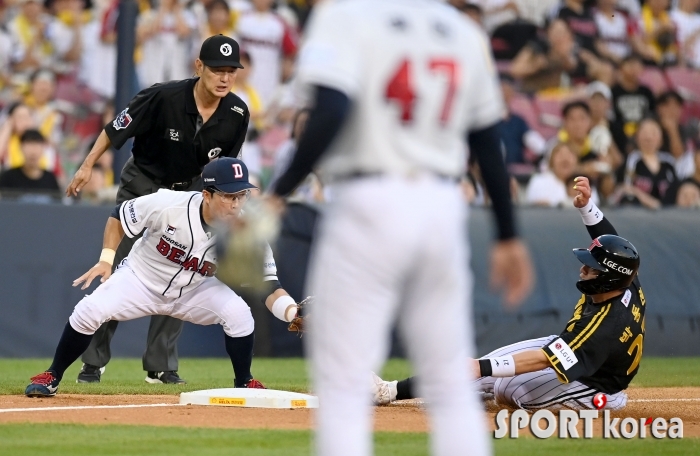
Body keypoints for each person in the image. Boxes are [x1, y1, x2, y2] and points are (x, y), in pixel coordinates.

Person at [268, 1, 534, 455]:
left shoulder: (345, 16)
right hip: (442, 206)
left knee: (345, 385)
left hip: (367, 197)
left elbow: (330, 111)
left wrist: (281, 190)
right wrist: (508, 234)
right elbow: (487, 142)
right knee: (449, 382)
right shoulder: (461, 30)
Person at [24, 158, 305, 397]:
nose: (236, 203)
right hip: (141, 279)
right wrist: (107, 258)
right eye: (229, 196)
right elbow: (119, 215)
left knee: (240, 314)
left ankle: (244, 382)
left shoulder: (248, 232)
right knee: (88, 311)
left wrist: (293, 312)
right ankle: (52, 376)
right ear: (207, 194)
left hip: (195, 290)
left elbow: (270, 286)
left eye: (242, 195)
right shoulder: (169, 204)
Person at [65, 35, 250, 385]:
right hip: (143, 184)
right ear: (199, 67)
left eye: (231, 71)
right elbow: (114, 129)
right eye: (217, 69)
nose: (224, 77)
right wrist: (87, 165)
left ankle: (160, 364)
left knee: (181, 271)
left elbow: (228, 165)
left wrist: (233, 203)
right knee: (116, 269)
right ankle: (93, 361)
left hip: (191, 193)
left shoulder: (237, 112)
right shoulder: (163, 96)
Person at [373, 176, 645, 411]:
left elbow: (545, 358)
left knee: (507, 386)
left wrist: (483, 369)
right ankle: (389, 390)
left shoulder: (606, 323)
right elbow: (612, 243)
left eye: (593, 267)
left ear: (609, 278)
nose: (584, 268)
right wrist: (588, 208)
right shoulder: (625, 279)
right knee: (483, 369)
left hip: (593, 385)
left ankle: (603, 403)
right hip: (573, 349)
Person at [619, 117, 679, 209]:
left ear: (661, 139)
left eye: (653, 133)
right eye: (644, 133)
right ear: (637, 137)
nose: (649, 137)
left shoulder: (669, 162)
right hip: (637, 215)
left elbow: (676, 191)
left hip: (668, 216)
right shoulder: (632, 160)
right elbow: (627, 190)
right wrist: (651, 202)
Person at [0, 129, 59, 196]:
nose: (33, 152)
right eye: (29, 146)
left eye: (36, 146)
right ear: (20, 147)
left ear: (43, 148)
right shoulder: (8, 177)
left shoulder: (50, 179)